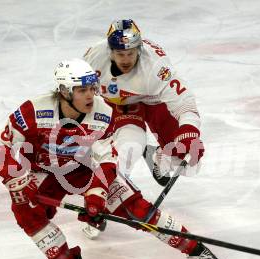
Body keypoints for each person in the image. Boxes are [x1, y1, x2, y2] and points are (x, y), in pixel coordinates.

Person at [0, 59, 224, 259]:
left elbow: (107, 160)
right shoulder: (32, 111)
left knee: (138, 210)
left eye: (92, 88)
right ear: (65, 92)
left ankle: (196, 249)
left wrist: (96, 196)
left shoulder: (103, 112)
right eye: (82, 90)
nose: (90, 95)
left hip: (86, 169)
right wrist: (17, 177)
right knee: (24, 208)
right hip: (44, 170)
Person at [83, 19, 205, 182]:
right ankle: (113, 188)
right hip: (117, 104)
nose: (126, 60)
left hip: (155, 102)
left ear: (139, 50)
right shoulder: (93, 58)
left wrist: (189, 131)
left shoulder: (156, 66)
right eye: (120, 54)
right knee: (129, 148)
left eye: (130, 53)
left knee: (186, 162)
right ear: (110, 51)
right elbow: (75, 94)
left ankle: (155, 155)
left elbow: (184, 101)